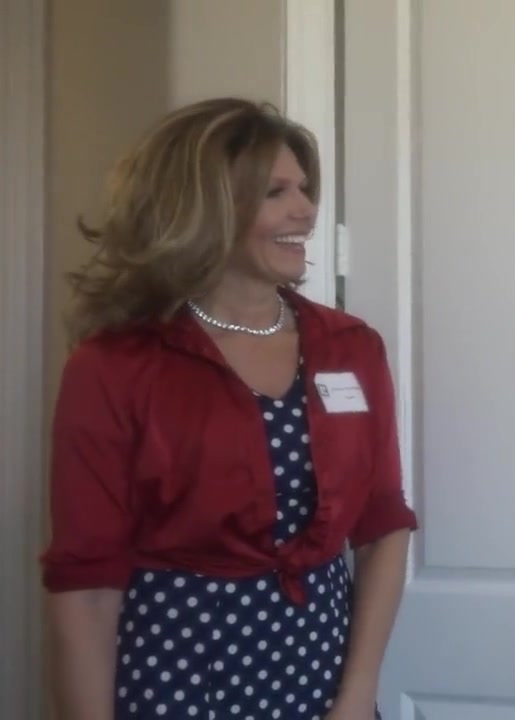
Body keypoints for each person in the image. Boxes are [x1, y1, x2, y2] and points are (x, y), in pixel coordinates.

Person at [40, 98, 418, 720]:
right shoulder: (116, 366)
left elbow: (382, 527)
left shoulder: (351, 347)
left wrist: (356, 697)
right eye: (275, 192)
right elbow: (86, 587)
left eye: (304, 188)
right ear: (204, 210)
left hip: (322, 680)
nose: (306, 209)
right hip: (174, 681)